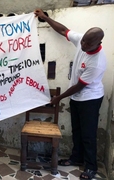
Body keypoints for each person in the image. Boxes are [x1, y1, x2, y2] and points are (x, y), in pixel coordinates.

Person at [34, 9, 106, 180]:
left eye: (88, 45)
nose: (83, 46)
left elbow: (79, 86)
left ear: (98, 43)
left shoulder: (97, 63)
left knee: (88, 134)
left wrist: (58, 98)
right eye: (84, 42)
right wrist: (46, 18)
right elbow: (63, 30)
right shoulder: (83, 40)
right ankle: (76, 158)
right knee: (77, 130)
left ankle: (91, 167)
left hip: (90, 98)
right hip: (76, 97)